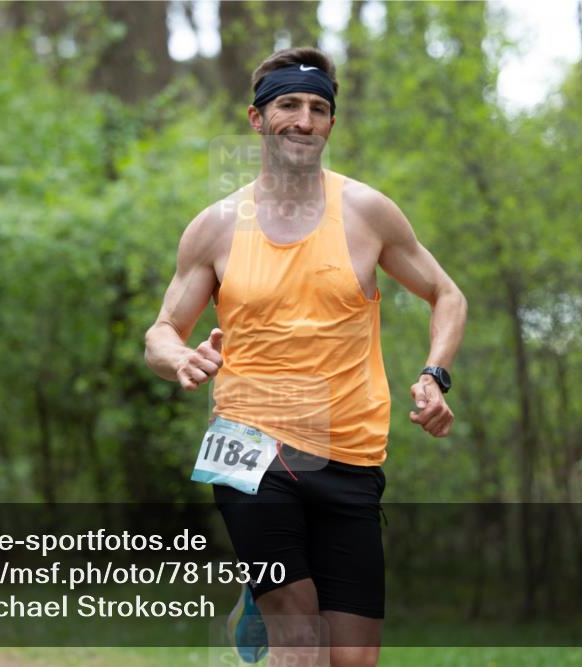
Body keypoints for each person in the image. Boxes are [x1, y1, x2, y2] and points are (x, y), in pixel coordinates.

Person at [144, 46, 467, 667]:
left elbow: (446, 295)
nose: (304, 118)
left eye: (319, 108)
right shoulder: (215, 226)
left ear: (331, 124)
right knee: (302, 643)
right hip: (247, 444)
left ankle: (255, 600)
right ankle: (270, 603)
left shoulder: (368, 212)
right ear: (257, 119)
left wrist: (434, 373)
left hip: (351, 452)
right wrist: (179, 357)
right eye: (288, 104)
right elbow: (161, 330)